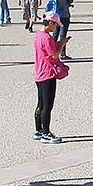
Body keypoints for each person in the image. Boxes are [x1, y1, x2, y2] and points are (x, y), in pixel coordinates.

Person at [32, 11, 69, 142]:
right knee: (48, 105)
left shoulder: (38, 35)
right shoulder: (47, 38)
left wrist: (58, 43)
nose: (56, 27)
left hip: (39, 73)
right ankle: (46, 132)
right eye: (55, 24)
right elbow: (54, 54)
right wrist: (62, 44)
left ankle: (38, 130)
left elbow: (48, 50)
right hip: (48, 74)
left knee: (40, 104)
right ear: (51, 23)